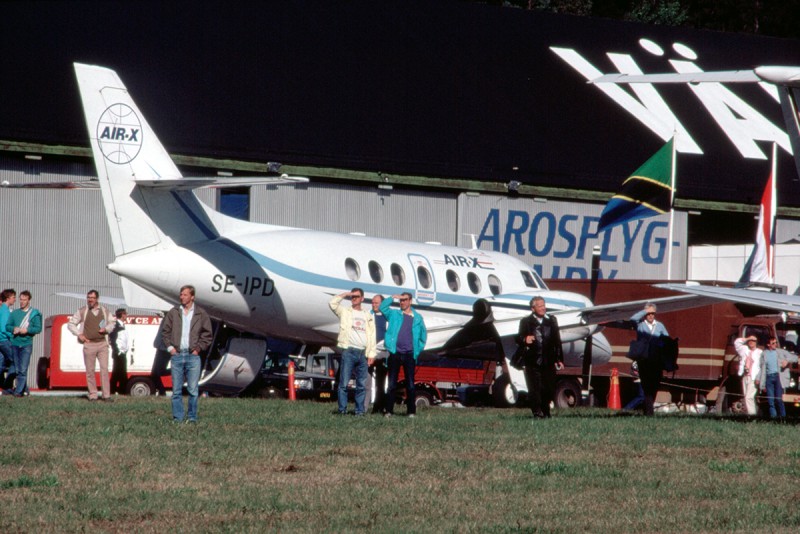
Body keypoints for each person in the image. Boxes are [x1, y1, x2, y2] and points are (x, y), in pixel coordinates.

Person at [161, 285, 213, 423]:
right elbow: (165, 332)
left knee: (193, 390)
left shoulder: (201, 314)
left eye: (185, 294)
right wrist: (170, 348)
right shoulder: (173, 312)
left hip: (193, 356)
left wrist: (198, 349)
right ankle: (178, 418)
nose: (181, 297)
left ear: (192, 297)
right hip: (177, 355)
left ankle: (192, 418)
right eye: (181, 294)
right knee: (176, 391)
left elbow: (207, 335)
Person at [329, 288, 376, 416]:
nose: (354, 298)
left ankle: (359, 411)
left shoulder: (367, 315)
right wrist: (345, 295)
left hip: (362, 353)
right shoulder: (345, 312)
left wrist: (371, 354)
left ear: (362, 298)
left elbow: (372, 335)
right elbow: (332, 304)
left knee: (361, 384)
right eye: (352, 296)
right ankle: (342, 410)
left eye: (357, 296)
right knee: (344, 383)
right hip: (349, 351)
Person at [516, 296, 564, 418]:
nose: (543, 308)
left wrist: (559, 359)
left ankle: (546, 410)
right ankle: (537, 412)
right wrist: (524, 339)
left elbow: (557, 341)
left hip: (549, 360)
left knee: (549, 388)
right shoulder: (526, 322)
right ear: (533, 308)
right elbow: (518, 338)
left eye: (544, 305)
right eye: (540, 306)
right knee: (535, 389)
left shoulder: (552, 321)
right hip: (532, 361)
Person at [381, 292, 427, 418]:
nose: (402, 302)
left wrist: (417, 350)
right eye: (401, 300)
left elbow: (423, 335)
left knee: (411, 385)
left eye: (405, 300)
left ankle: (411, 411)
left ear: (410, 301)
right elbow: (382, 308)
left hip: (409, 355)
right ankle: (389, 411)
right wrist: (392, 297)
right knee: (391, 384)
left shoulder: (417, 317)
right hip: (395, 353)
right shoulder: (394, 314)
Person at [67, 289, 116, 402]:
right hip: (89, 344)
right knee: (90, 371)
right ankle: (93, 395)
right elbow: (71, 324)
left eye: (93, 298)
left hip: (103, 344)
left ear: (97, 299)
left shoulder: (104, 310)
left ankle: (106, 395)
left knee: (104, 369)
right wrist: (79, 334)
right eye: (89, 298)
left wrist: (107, 329)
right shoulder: (83, 311)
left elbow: (112, 323)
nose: (90, 300)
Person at [631, 303, 670, 416]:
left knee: (655, 385)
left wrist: (660, 344)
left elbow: (666, 339)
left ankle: (648, 409)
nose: (650, 316)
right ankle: (649, 412)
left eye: (652, 313)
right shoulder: (640, 325)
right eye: (648, 314)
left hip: (656, 360)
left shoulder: (660, 325)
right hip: (643, 359)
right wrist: (645, 310)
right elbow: (632, 318)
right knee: (646, 385)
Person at [4, 290, 42, 397]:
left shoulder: (34, 313)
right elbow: (7, 326)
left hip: (26, 344)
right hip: (15, 343)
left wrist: (27, 330)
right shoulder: (15, 313)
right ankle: (24, 390)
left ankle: (18, 392)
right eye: (20, 299)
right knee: (17, 368)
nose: (21, 302)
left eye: (24, 300)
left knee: (23, 369)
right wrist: (14, 328)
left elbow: (38, 328)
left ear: (29, 300)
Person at [757, 336, 795, 420]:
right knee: (771, 401)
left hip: (778, 377)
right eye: (773, 343)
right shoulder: (764, 354)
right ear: (768, 344)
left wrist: (787, 360)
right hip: (768, 378)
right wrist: (759, 380)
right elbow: (761, 368)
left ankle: (783, 418)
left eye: (776, 343)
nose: (775, 344)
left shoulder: (780, 352)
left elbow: (794, 357)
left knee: (779, 400)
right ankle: (773, 419)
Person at [369, 295, 389, 414]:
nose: (374, 305)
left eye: (377, 303)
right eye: (373, 303)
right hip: (370, 351)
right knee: (366, 382)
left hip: (383, 351)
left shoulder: (388, 317)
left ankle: (379, 406)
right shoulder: (369, 315)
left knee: (381, 383)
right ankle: (364, 408)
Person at [734, 334, 761, 416]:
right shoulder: (744, 349)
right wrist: (747, 338)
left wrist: (759, 378)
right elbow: (737, 342)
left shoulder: (760, 352)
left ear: (756, 342)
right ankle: (749, 414)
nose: (751, 342)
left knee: (749, 397)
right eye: (750, 341)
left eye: (753, 341)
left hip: (754, 377)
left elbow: (762, 366)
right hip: (745, 376)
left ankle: (752, 415)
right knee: (746, 397)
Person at [109, 308, 130, 395]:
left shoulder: (122, 325)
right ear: (122, 315)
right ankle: (113, 391)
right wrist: (117, 351)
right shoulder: (115, 325)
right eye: (125, 314)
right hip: (119, 353)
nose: (126, 315)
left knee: (121, 373)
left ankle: (121, 391)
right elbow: (112, 340)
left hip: (122, 353)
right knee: (117, 373)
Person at [0, 289, 16, 392]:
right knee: (16, 361)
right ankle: (7, 386)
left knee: (1, 363)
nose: (15, 299)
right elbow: (4, 328)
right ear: (8, 298)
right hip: (5, 340)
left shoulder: (2, 309)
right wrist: (13, 334)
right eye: (13, 297)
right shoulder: (5, 310)